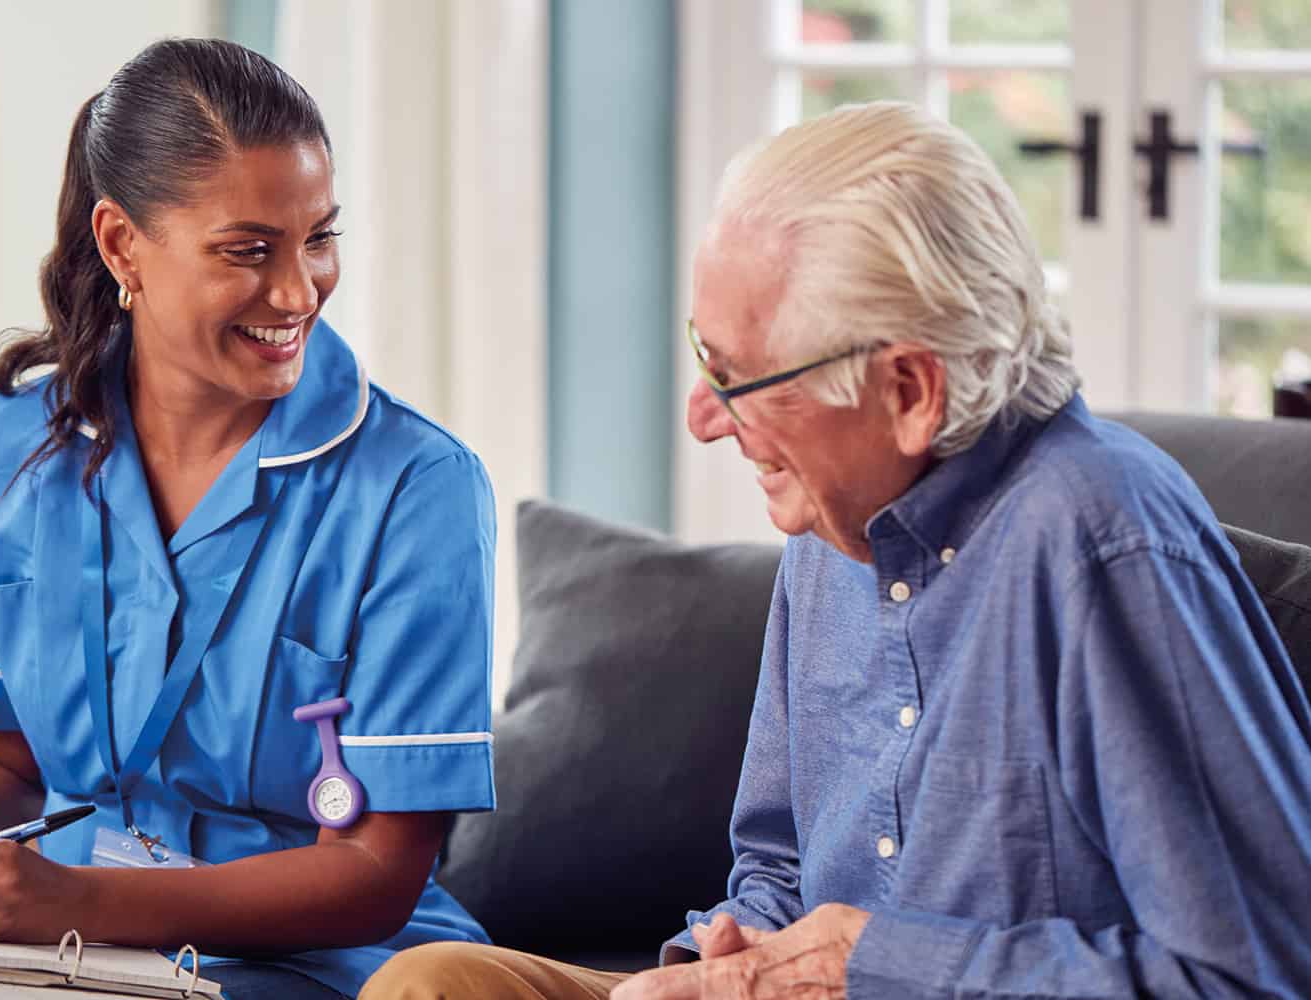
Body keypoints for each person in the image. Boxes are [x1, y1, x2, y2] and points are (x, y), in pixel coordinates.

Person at [359, 101, 1311, 999]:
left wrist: (878, 968)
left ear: (908, 392)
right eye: (704, 355)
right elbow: (775, 865)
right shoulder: (833, 521)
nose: (702, 418)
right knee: (435, 982)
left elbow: (1252, 972)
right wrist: (720, 962)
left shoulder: (1102, 543)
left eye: (738, 377)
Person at [0, 38, 498, 1000]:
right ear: (121, 246)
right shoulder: (14, 444)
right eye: (248, 250)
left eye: (318, 238)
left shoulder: (419, 488)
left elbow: (373, 875)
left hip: (308, 968)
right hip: (53, 956)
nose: (297, 290)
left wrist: (77, 902)